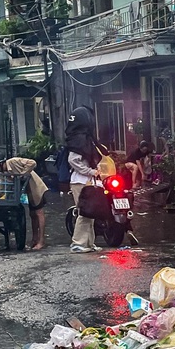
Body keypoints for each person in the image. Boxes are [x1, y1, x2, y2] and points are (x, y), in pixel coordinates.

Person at [65, 106, 105, 253]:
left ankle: (88, 243)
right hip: (80, 181)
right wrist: (90, 171)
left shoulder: (85, 138)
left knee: (91, 213)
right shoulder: (78, 140)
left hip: (88, 181)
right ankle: (78, 243)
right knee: (84, 212)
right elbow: (73, 160)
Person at [0, 151, 47, 250]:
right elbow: (1, 188)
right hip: (28, 191)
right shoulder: (5, 174)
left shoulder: (13, 161)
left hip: (36, 188)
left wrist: (22, 174)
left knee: (38, 213)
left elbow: (32, 163)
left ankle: (41, 241)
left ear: (0, 163)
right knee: (32, 215)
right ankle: (34, 239)